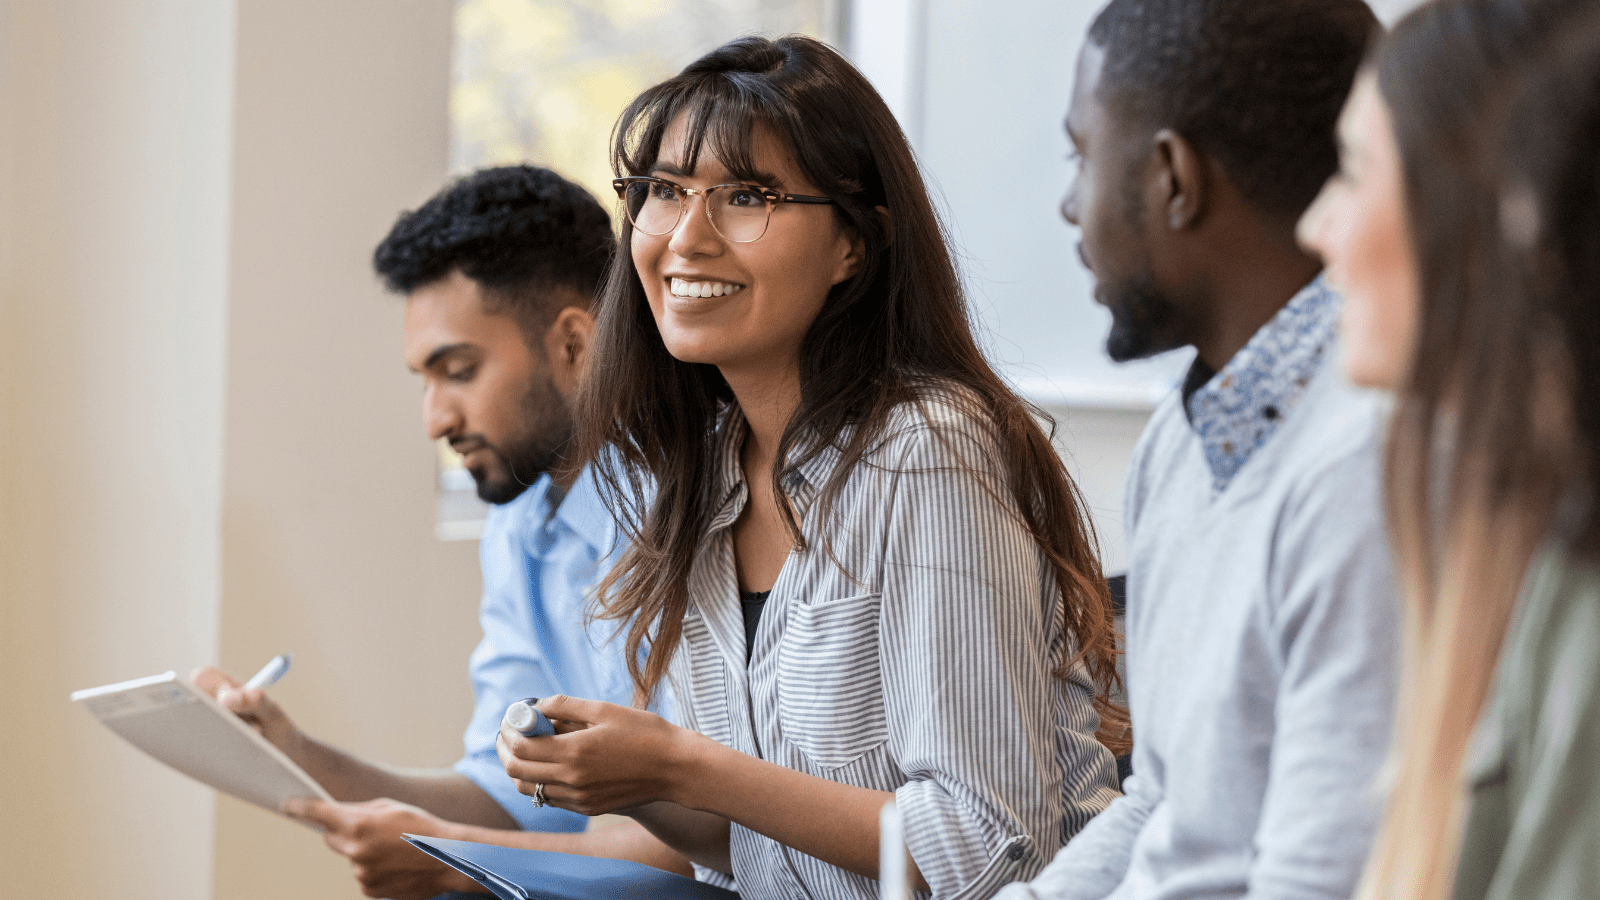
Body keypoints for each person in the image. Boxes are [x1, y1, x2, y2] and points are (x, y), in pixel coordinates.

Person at [494, 34, 1126, 899]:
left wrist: (685, 765)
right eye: (664, 192)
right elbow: (765, 845)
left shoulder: (926, 451)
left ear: (853, 249)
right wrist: (629, 779)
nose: (687, 236)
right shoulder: (705, 470)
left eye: (746, 196)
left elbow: (985, 846)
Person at [191, 165, 688, 900]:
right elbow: (505, 793)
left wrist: (449, 857)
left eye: (458, 370)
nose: (435, 420)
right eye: (425, 379)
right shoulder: (521, 518)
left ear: (576, 345)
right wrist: (294, 753)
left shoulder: (682, 511)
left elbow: (695, 849)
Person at [998, 2, 1400, 899]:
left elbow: (1316, 882)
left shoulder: (1363, 469)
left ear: (1174, 176)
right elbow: (1166, 807)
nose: (1069, 204)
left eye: (1082, 155)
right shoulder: (1184, 439)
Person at [1296, 1, 1600, 898]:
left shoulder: (1579, 593)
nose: (1319, 227)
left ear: (1501, 206)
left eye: (1351, 172)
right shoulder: (1513, 540)